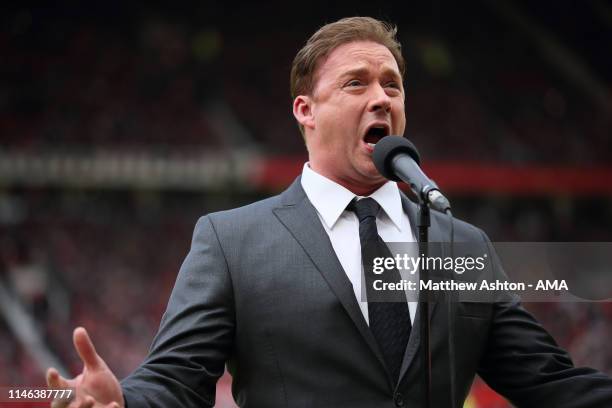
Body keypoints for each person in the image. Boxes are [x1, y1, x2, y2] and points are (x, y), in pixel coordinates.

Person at [47, 17, 612, 407]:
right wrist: (124, 401)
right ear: (306, 110)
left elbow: (551, 385)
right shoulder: (231, 241)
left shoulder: (461, 245)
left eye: (392, 85)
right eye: (356, 83)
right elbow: (177, 380)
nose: (381, 98)